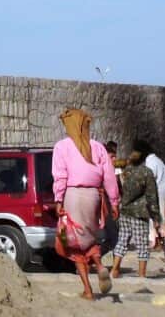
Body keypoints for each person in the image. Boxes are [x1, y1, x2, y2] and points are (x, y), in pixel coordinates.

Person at [52, 107, 120, 301]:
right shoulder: (98, 147)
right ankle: (98, 265)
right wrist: (114, 202)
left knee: (72, 243)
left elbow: (60, 176)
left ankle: (88, 291)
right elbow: (109, 177)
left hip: (72, 195)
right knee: (88, 238)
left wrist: (58, 200)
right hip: (94, 197)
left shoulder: (62, 146)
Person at [111, 149, 163, 279]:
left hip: (125, 210)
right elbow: (152, 196)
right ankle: (141, 274)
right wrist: (156, 217)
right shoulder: (146, 172)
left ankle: (114, 270)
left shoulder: (125, 172)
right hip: (140, 213)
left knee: (122, 241)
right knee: (142, 245)